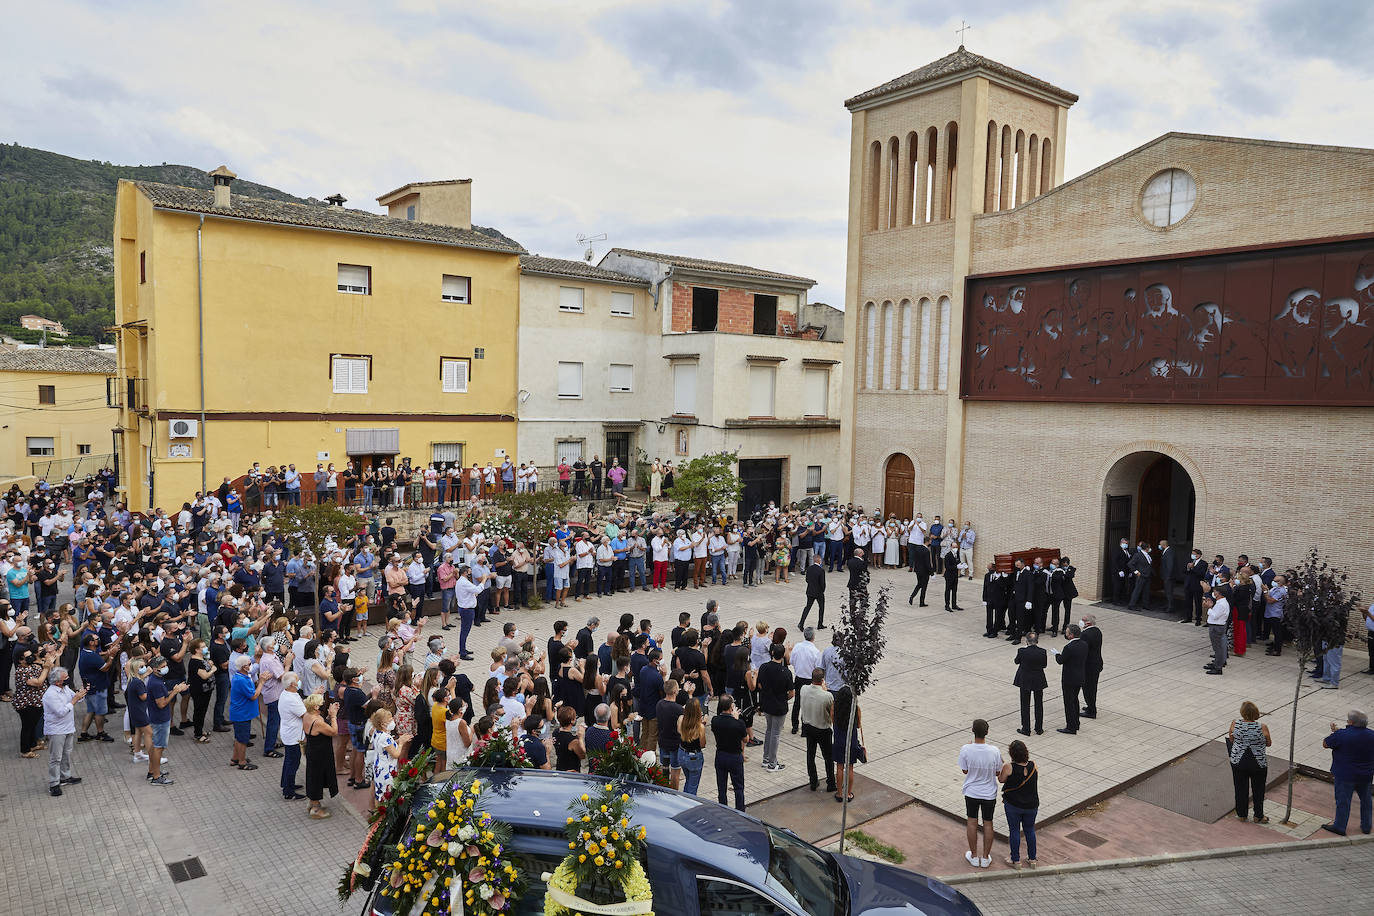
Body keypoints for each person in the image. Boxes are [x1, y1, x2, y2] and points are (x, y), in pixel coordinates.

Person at [1321, 708, 1374, 836]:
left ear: (1350, 722)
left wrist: (1336, 733)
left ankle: (1340, 826)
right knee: (1366, 800)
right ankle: (1366, 826)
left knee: (1343, 801)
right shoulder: (1372, 735)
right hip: (1366, 774)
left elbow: (1325, 744)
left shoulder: (1342, 735)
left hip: (1345, 775)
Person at [958, 718, 1002, 868]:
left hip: (971, 792)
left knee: (972, 822)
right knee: (988, 823)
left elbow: (965, 770)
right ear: (987, 732)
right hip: (989, 793)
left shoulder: (966, 749)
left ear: (972, 731)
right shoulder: (994, 751)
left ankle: (974, 855)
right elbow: (998, 772)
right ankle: (985, 857)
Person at [42, 666, 87, 796]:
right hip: (56, 730)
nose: (68, 679)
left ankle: (65, 777)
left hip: (68, 728)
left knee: (66, 754)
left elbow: (77, 698)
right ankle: (54, 783)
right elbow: (61, 711)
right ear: (57, 682)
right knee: (55, 757)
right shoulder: (50, 695)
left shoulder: (65, 688)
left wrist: (81, 693)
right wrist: (74, 700)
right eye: (65, 678)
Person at [1228, 701, 1272, 823]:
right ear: (1256, 713)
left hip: (1238, 761)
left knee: (1240, 788)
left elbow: (1231, 739)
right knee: (1258, 789)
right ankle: (1258, 815)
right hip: (1257, 763)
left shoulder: (1234, 723)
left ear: (1242, 713)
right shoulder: (1262, 727)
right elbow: (1268, 743)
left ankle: (1241, 814)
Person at [999, 739, 1039, 869]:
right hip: (1031, 805)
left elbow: (1001, 779)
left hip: (1013, 805)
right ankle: (1032, 859)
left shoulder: (1009, 767)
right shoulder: (1034, 765)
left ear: (1012, 753)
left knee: (1014, 831)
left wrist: (1001, 765)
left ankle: (1015, 860)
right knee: (1030, 830)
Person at [302, 693, 339, 819]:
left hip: (313, 750)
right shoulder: (317, 721)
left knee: (313, 775)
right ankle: (316, 808)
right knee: (317, 778)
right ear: (317, 707)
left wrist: (328, 715)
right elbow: (333, 731)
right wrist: (333, 716)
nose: (325, 704)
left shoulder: (308, 715)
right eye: (322, 703)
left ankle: (312, 803)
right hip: (320, 753)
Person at [800, 666, 836, 794]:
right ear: (822, 680)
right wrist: (824, 690)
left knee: (811, 754)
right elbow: (831, 712)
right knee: (828, 757)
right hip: (823, 728)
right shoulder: (827, 696)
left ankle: (813, 781)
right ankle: (831, 782)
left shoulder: (803, 689)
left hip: (808, 726)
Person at [757, 643, 792, 772]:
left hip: (767, 704)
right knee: (775, 734)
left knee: (769, 731)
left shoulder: (764, 667)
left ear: (772, 653)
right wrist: (783, 698)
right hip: (779, 706)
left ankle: (766, 759)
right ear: (782, 656)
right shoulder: (786, 672)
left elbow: (759, 685)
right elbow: (791, 692)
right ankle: (772, 763)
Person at [711, 694, 747, 811]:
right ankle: (740, 811)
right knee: (738, 787)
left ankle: (723, 809)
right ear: (731, 707)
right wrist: (736, 719)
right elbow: (745, 739)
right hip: (735, 757)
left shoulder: (715, 721)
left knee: (721, 787)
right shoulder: (739, 723)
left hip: (721, 755)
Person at [1053, 624, 1087, 734]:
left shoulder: (1069, 647)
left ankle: (1070, 726)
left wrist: (1057, 654)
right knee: (1075, 700)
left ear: (1071, 635)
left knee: (1068, 703)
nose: (1066, 634)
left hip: (1069, 679)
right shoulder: (1084, 644)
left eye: (1067, 632)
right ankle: (1076, 723)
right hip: (1080, 676)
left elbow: (1061, 660)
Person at [228, 656, 260, 770]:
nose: (250, 665)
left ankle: (235, 758)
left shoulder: (242, 676)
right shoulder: (241, 680)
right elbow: (253, 696)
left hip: (242, 713)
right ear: (243, 667)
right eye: (248, 664)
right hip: (242, 714)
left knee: (239, 737)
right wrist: (262, 682)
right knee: (243, 739)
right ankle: (242, 762)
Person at [279, 672, 307, 801]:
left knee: (289, 761)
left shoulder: (289, 694)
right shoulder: (289, 698)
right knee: (293, 762)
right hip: (293, 735)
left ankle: (287, 783)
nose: (299, 681)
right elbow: (304, 714)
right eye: (297, 680)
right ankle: (288, 791)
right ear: (292, 684)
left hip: (291, 733)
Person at [1013, 633, 1047, 736]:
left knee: (1025, 704)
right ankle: (1039, 728)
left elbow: (1016, 661)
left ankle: (1026, 728)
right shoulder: (1042, 652)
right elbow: (1044, 665)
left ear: (1027, 641)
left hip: (1025, 679)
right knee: (1039, 704)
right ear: (1037, 641)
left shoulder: (1022, 651)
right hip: (1038, 679)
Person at [676, 696, 706, 795]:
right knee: (693, 786)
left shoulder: (681, 719)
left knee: (689, 780)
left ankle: (684, 799)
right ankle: (689, 805)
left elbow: (679, 731)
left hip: (682, 753)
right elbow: (702, 744)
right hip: (694, 757)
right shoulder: (700, 727)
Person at [1079, 613, 1103, 719]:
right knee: (1092, 688)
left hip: (1089, 666)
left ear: (1088, 623)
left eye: (1083, 620)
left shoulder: (1086, 634)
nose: (1081, 621)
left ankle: (1091, 711)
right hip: (1096, 663)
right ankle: (1090, 706)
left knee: (1088, 688)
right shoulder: (1097, 631)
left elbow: (1083, 649)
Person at [1204, 588, 1230, 675]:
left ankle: (1218, 667)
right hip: (1216, 626)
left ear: (1220, 594)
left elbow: (1215, 616)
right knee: (1217, 647)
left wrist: (1209, 608)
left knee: (1218, 648)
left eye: (1215, 592)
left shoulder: (1221, 604)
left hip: (1217, 627)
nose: (1214, 593)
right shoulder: (1220, 603)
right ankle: (1216, 663)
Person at [800, 553, 826, 630]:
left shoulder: (809, 568)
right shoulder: (821, 570)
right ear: (819, 560)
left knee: (807, 607)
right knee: (821, 608)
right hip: (819, 592)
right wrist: (822, 590)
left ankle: (801, 623)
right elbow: (822, 583)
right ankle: (820, 624)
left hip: (810, 591)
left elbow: (807, 580)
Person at [908, 537, 932, 607]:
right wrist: (931, 573)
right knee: (924, 587)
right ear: (927, 541)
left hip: (918, 570)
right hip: (924, 571)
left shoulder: (917, 549)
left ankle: (912, 596)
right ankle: (921, 602)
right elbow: (928, 563)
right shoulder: (926, 551)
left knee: (919, 584)